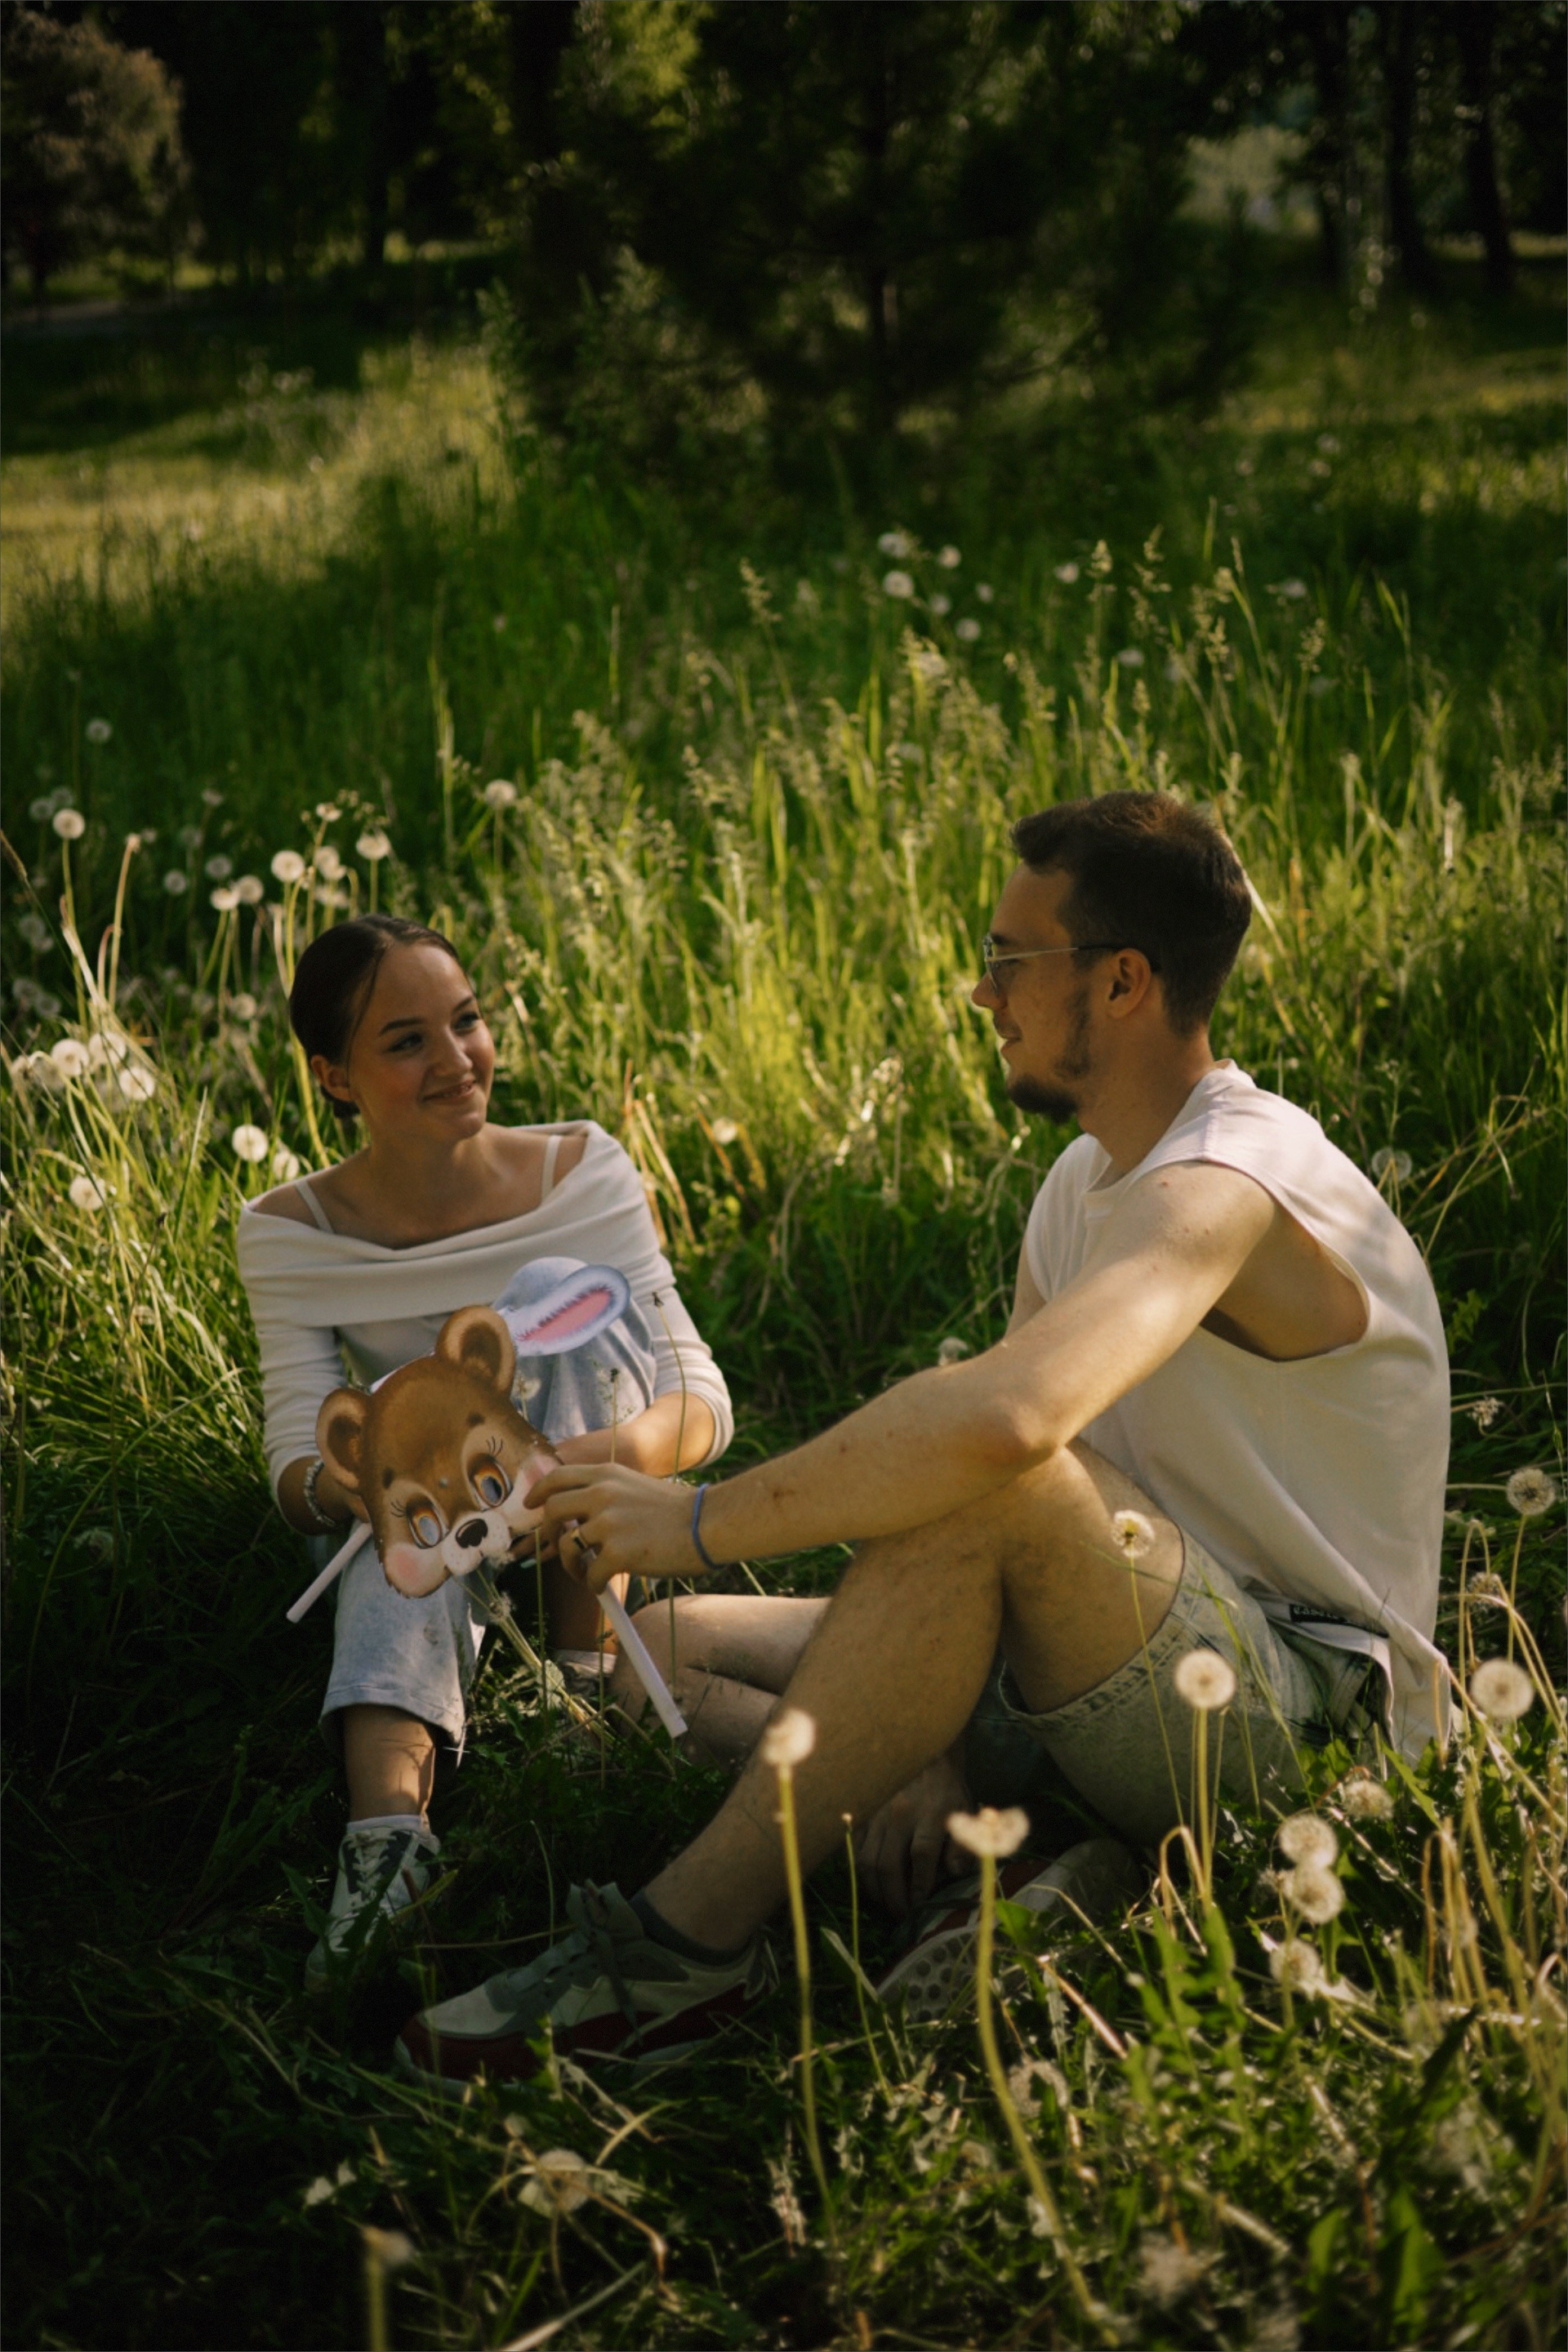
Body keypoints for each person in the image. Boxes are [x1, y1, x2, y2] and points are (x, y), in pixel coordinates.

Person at [394, 791, 1450, 2090]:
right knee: (656, 1650)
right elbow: (971, 1480)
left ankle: (680, 1959)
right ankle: (1018, 1861)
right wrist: (926, 1735)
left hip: (1293, 1727)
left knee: (1002, 1469)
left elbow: (1007, 1433)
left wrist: (701, 1520)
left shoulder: (1232, 1181)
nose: (981, 992)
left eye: (1010, 959)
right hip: (1112, 1643)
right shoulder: (1084, 1186)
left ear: (1123, 981)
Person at [236, 915, 733, 1987]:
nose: (457, 1059)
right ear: (333, 1077)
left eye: (466, 1021)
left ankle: (580, 1690)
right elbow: (292, 1460)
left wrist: (587, 1456)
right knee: (403, 1447)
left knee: (562, 1310)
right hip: (418, 1521)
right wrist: (371, 1483)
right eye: (407, 1041)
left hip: (573, 1497)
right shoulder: (287, 1229)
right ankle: (387, 1840)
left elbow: (698, 1394)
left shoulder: (581, 1172)